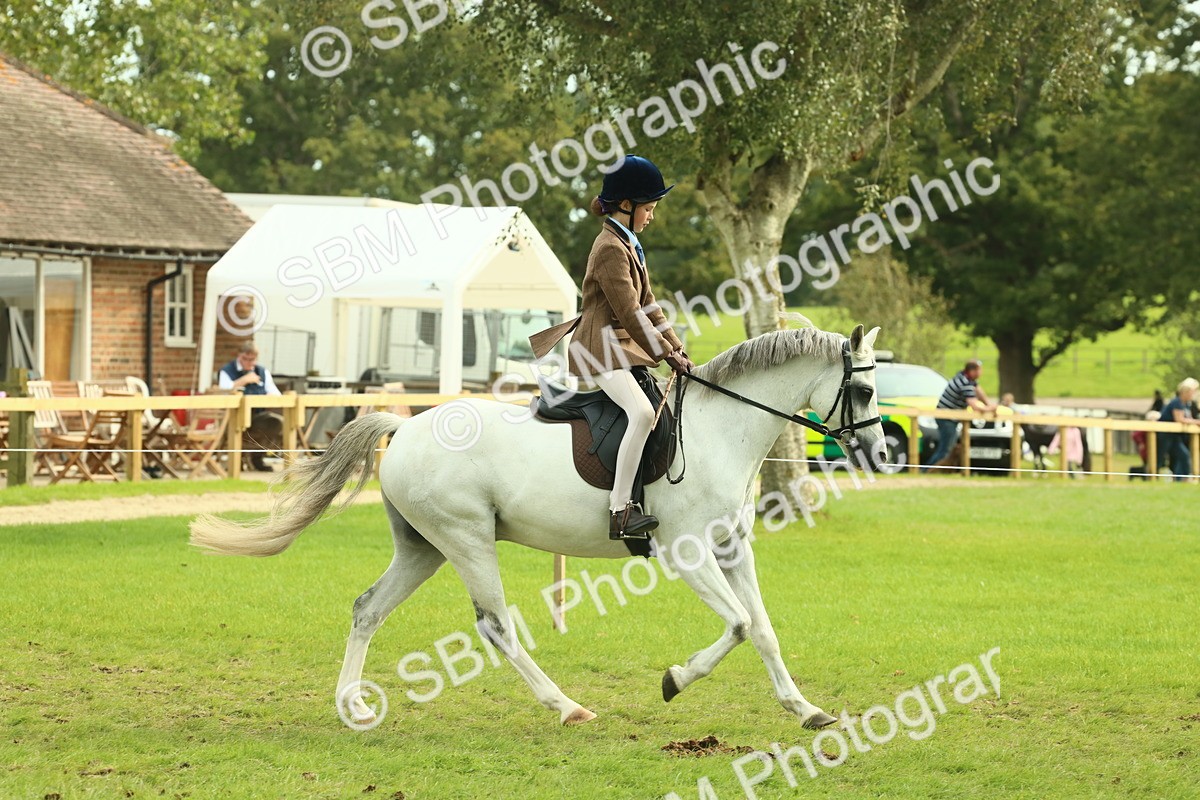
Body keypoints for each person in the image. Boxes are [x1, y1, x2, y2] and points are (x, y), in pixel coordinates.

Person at [528, 155, 693, 540]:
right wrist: (664, 354)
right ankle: (620, 511)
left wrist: (678, 348)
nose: (652, 216)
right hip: (599, 350)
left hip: (619, 349)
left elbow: (650, 304)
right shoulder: (609, 248)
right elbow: (630, 312)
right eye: (648, 208)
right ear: (626, 205)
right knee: (642, 413)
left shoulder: (628, 243)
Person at [920, 359, 998, 473]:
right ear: (972, 371)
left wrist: (988, 404)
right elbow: (974, 404)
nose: (981, 372)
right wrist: (990, 409)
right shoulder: (965, 383)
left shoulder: (965, 377)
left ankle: (929, 471)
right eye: (979, 370)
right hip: (947, 418)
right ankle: (926, 471)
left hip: (947, 417)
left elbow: (978, 390)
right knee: (945, 449)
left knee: (946, 448)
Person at [218, 341, 283, 471]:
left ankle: (257, 457)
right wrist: (244, 380)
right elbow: (223, 391)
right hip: (233, 417)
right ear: (239, 356)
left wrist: (268, 397)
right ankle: (235, 462)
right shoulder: (227, 371)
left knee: (276, 422)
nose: (248, 362)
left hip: (257, 415)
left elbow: (276, 394)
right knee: (237, 426)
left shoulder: (262, 371)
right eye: (245, 359)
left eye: (252, 359)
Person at [1156, 377, 1199, 481]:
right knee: (1160, 457)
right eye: (1192, 392)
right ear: (1185, 392)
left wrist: (1194, 421)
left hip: (1174, 436)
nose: (1193, 394)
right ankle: (1151, 476)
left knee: (1183, 455)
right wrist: (1196, 422)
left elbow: (1188, 418)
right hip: (1165, 434)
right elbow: (1179, 419)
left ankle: (1181, 479)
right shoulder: (1177, 402)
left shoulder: (1186, 404)